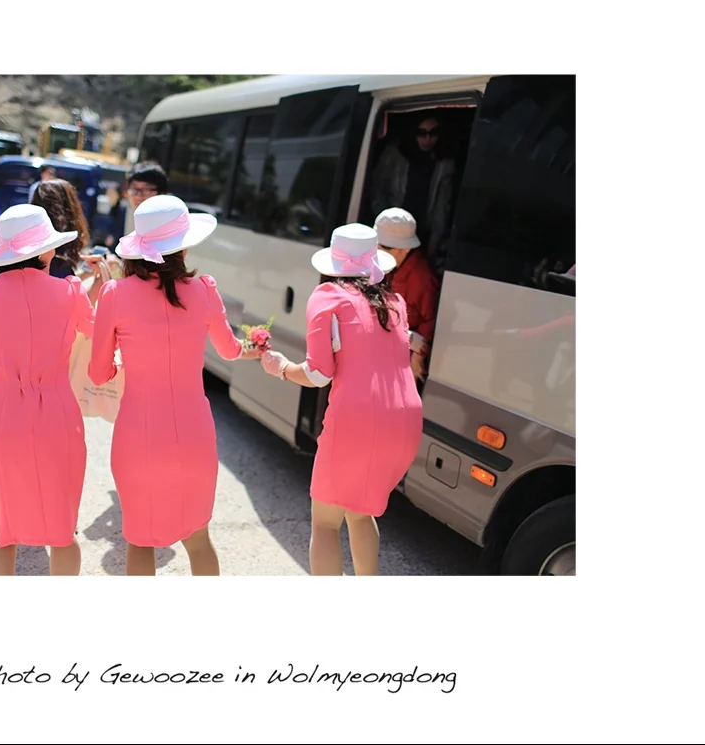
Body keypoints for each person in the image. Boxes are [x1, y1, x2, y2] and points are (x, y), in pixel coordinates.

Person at [87, 195, 263, 576]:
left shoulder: (115, 294)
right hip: (194, 432)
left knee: (140, 540)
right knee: (199, 539)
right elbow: (230, 349)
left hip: (138, 434)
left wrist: (122, 364)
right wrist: (256, 347)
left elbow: (98, 374)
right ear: (183, 247)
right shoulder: (204, 289)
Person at [258, 223, 423, 576]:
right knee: (359, 513)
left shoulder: (328, 297)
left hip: (356, 421)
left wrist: (281, 368)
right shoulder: (394, 302)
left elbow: (318, 374)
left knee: (325, 522)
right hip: (405, 423)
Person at [0, 204, 107, 575]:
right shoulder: (70, 291)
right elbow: (97, 330)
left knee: (4, 532)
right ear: (45, 251)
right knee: (62, 531)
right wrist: (104, 284)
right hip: (58, 415)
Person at [368, 114, 456, 271]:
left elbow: (442, 207)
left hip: (421, 233)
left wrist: (433, 243)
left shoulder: (444, 163)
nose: (427, 139)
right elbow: (377, 190)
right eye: (421, 133)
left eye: (433, 133)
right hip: (391, 229)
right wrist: (387, 225)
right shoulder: (394, 155)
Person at [374, 207, 440, 383]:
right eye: (377, 245)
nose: (379, 251)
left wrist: (419, 354)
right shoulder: (389, 267)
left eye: (386, 247)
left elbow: (432, 321)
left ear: (406, 248)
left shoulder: (421, 278)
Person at [30, 179, 91, 279]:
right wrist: (100, 277)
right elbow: (65, 285)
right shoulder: (59, 262)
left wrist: (86, 274)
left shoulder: (25, 256)